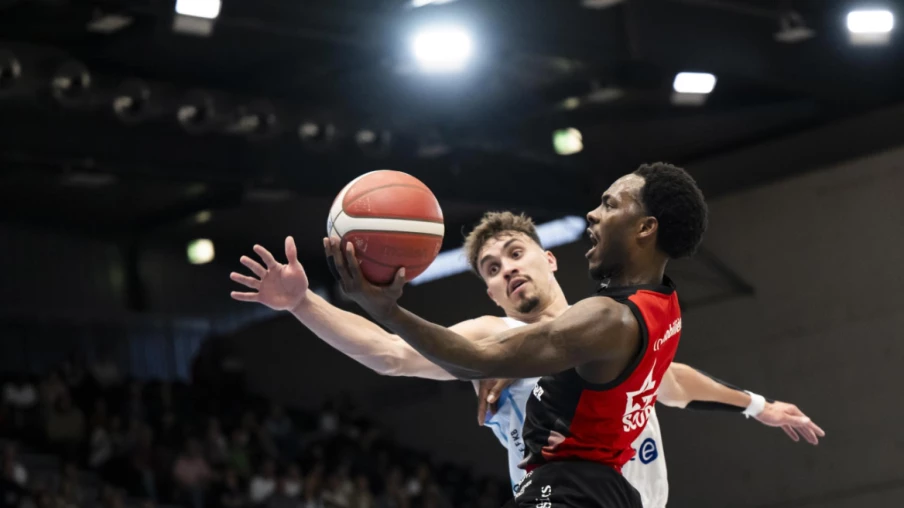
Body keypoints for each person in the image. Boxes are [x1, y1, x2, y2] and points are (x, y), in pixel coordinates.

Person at [230, 163, 824, 507]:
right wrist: (301, 302)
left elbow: (673, 382)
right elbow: (391, 355)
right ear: (488, 293)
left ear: (549, 260)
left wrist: (755, 405)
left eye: (515, 254)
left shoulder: (609, 322)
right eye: (491, 269)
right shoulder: (493, 337)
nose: (507, 269)